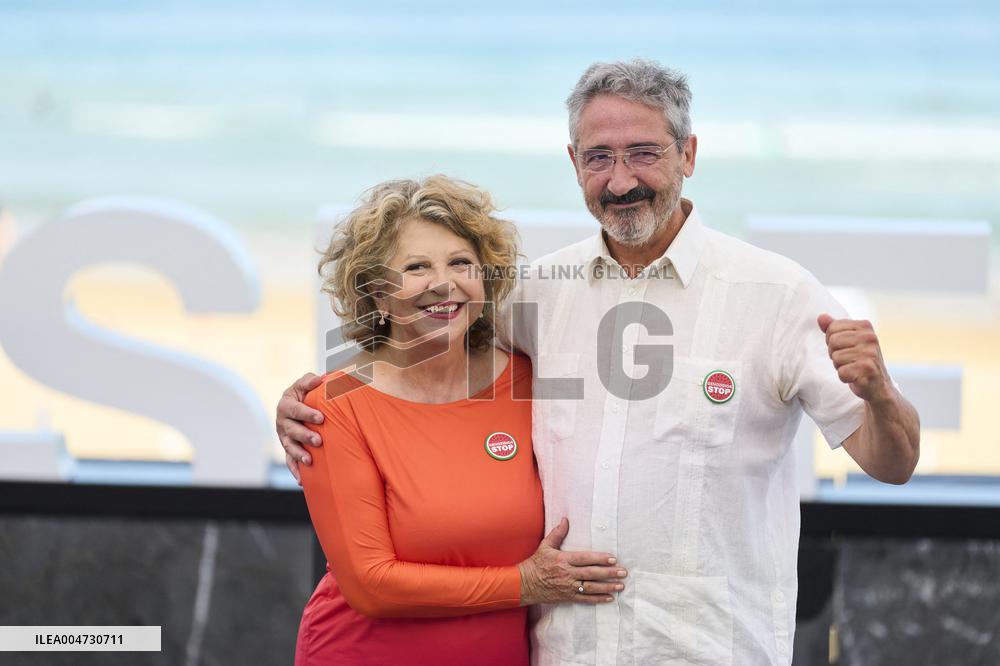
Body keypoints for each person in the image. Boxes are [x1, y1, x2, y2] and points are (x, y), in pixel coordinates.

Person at [280, 61, 920, 665]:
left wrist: (882, 392)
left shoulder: (776, 296)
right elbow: (418, 342)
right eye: (599, 157)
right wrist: (308, 403)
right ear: (573, 162)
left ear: (688, 155)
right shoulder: (539, 292)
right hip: (568, 650)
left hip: (712, 650)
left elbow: (892, 464)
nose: (621, 180)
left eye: (644, 153)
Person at [293, 175, 626, 666]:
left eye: (460, 263)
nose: (443, 283)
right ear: (378, 295)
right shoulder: (335, 407)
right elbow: (371, 585)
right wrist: (525, 583)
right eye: (415, 267)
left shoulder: (528, 382)